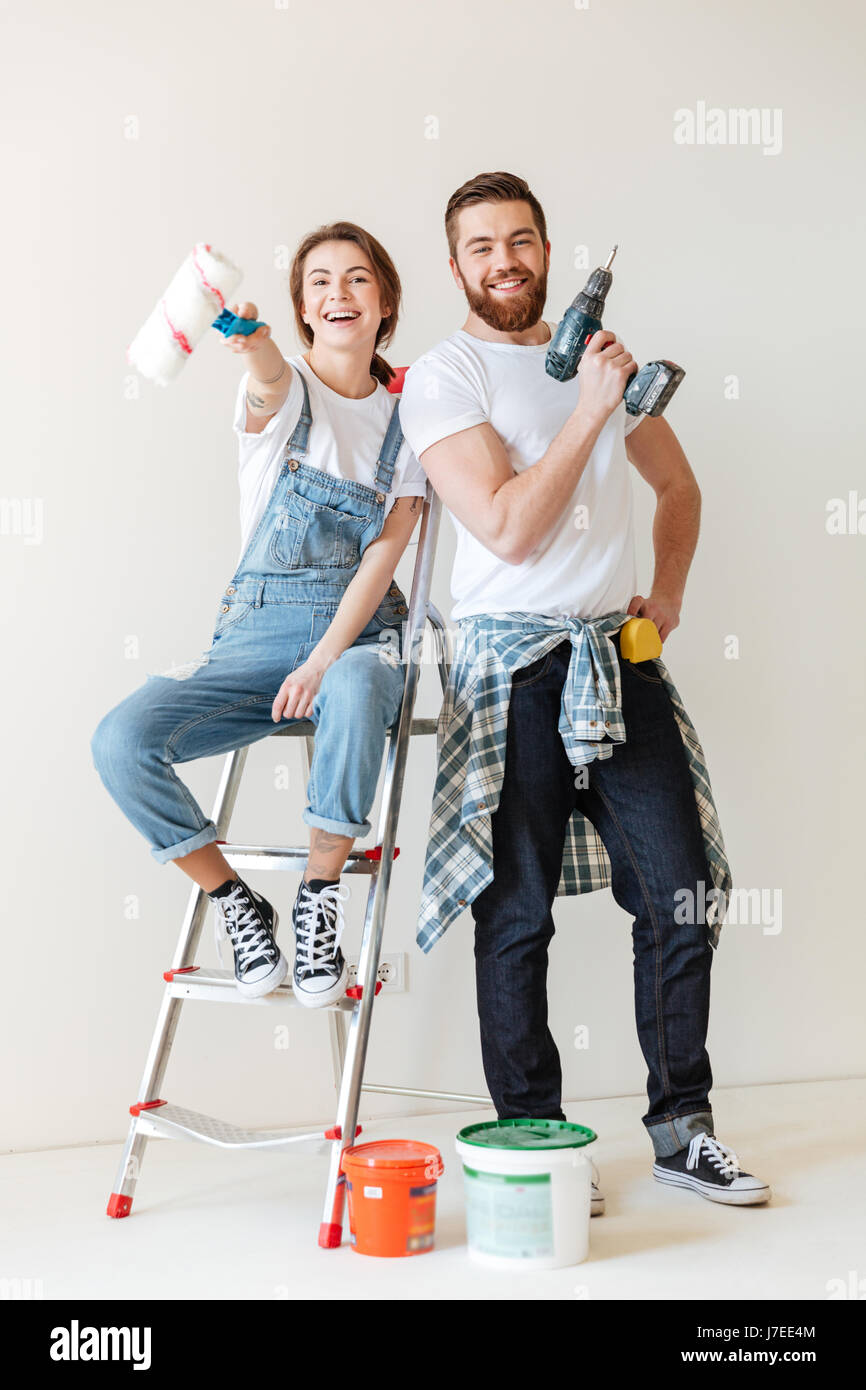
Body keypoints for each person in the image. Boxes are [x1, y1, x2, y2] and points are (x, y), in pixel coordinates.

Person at [397, 171, 770, 1210]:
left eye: (519, 240)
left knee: (678, 889)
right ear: (454, 265)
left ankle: (679, 1128)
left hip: (618, 654)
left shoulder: (600, 358)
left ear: (549, 253)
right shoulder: (445, 375)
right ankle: (534, 1137)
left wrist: (670, 596)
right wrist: (588, 410)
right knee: (513, 913)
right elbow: (508, 525)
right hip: (508, 667)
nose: (503, 260)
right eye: (480, 246)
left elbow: (679, 486)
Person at [91, 222, 427, 1008]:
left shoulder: (412, 422)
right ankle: (233, 901)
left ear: (386, 300)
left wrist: (321, 660)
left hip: (363, 632)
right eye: (318, 282)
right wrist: (251, 348)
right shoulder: (285, 391)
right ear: (303, 308)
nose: (337, 293)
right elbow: (272, 383)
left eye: (355, 279)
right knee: (120, 741)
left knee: (353, 682)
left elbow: (385, 557)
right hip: (255, 636)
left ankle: (319, 897)